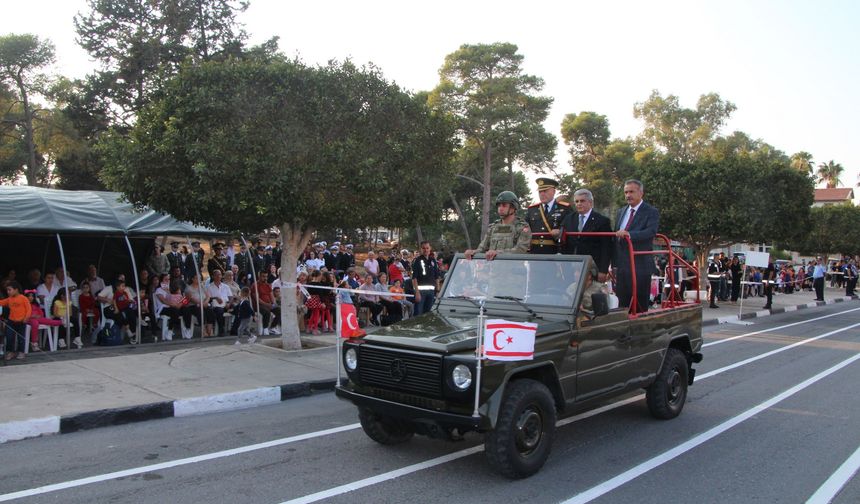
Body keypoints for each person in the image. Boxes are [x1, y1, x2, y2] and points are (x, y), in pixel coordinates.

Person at [613, 179, 660, 313]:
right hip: (622, 265)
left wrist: (629, 235)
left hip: (640, 264)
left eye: (631, 192)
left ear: (641, 193)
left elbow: (650, 232)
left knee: (639, 302)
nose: (628, 195)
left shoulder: (651, 211)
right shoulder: (621, 211)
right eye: (626, 192)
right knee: (622, 301)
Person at [560, 188, 612, 281]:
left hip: (592, 267)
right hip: (570, 267)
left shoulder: (602, 221)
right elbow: (563, 242)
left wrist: (603, 270)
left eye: (582, 201)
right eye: (576, 201)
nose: (579, 203)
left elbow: (606, 248)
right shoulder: (569, 219)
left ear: (590, 202)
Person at [464, 191, 530, 261]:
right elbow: (482, 248)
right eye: (499, 205)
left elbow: (520, 250)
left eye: (504, 205)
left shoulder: (522, 227)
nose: (500, 208)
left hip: (513, 270)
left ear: (513, 208)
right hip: (493, 269)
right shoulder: (493, 227)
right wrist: (473, 252)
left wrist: (497, 253)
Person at [525, 177, 572, 254]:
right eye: (540, 191)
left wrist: (560, 231)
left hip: (556, 252)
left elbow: (571, 227)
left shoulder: (565, 208)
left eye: (545, 191)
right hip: (535, 253)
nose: (542, 194)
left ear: (553, 191)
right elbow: (525, 228)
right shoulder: (532, 209)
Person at [2, 281, 32, 360]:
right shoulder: (9, 299)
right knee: (9, 337)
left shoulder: (23, 298)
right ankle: (10, 352)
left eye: (9, 290)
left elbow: (29, 309)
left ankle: (21, 352)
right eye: (7, 290)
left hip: (21, 322)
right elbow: (1, 302)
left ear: (16, 290)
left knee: (21, 338)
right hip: (11, 321)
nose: (8, 292)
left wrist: (26, 318)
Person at [412, 241, 441, 316]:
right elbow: (414, 277)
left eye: (427, 248)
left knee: (428, 313)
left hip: (431, 292)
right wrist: (417, 292)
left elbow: (436, 276)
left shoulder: (433, 260)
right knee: (418, 312)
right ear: (421, 249)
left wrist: (437, 290)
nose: (426, 250)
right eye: (424, 248)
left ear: (430, 248)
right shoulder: (417, 260)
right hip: (421, 291)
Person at [206, 269, 232, 336]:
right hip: (216, 306)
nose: (218, 276)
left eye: (219, 275)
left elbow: (230, 297)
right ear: (213, 276)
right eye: (216, 275)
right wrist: (215, 298)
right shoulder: (209, 287)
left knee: (239, 307)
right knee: (219, 310)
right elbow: (208, 298)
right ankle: (221, 329)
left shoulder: (226, 286)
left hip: (226, 305)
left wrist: (229, 303)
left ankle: (235, 329)